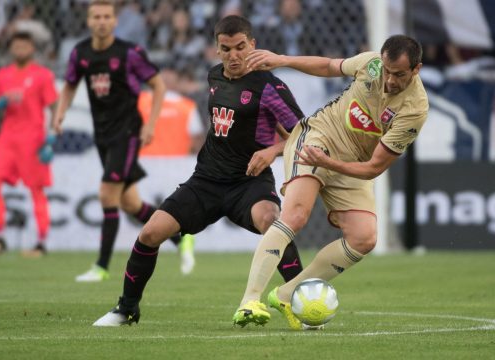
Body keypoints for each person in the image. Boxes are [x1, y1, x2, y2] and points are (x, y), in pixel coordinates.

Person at [93, 15, 305, 327]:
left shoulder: (271, 85)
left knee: (271, 222)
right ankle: (126, 309)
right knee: (151, 232)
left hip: (249, 182)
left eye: (240, 47)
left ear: (253, 45)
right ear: (217, 50)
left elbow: (303, 133)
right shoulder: (214, 76)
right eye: (226, 48)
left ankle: (301, 303)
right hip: (205, 180)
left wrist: (272, 150)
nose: (234, 55)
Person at [234, 34, 429, 329]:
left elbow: (374, 167)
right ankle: (250, 300)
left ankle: (286, 294)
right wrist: (284, 60)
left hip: (350, 164)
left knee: (364, 238)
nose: (389, 80)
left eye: (399, 74)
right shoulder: (371, 64)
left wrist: (329, 165)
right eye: (387, 71)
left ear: (416, 69)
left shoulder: (414, 109)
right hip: (318, 137)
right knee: (296, 215)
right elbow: (328, 66)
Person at [53, 0, 194, 281]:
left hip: (127, 133)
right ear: (89, 21)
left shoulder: (129, 53)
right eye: (97, 16)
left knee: (107, 194)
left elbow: (158, 84)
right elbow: (69, 84)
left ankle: (101, 267)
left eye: (107, 16)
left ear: (115, 21)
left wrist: (150, 125)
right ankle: (181, 238)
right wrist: (59, 114)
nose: (102, 21)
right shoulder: (80, 53)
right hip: (103, 135)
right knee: (130, 204)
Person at [0, 31, 58, 257]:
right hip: (7, 138)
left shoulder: (43, 75)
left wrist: (51, 137)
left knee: (36, 189)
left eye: (25, 46)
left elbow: (54, 106)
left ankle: (41, 243)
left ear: (32, 49)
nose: (20, 50)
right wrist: (0, 102)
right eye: (16, 46)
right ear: (11, 49)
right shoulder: (3, 75)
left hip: (33, 139)